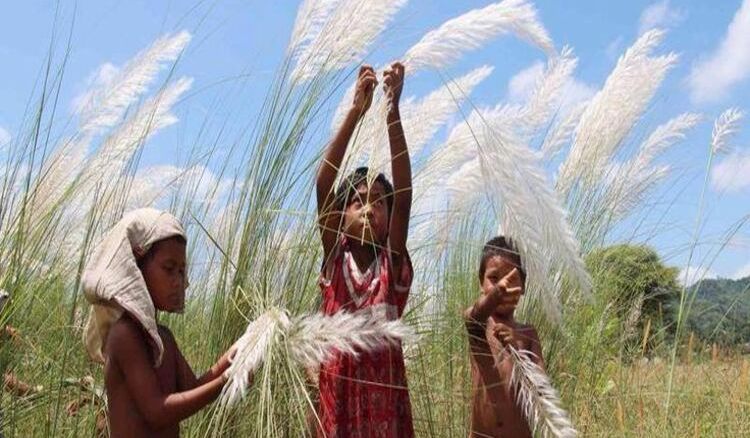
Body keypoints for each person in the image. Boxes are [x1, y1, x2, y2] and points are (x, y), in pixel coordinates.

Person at [312, 62, 414, 437]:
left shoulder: (392, 263)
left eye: (378, 202)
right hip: (337, 402)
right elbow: (323, 184)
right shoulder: (335, 257)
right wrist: (356, 110)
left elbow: (404, 195)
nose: (369, 208)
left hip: (384, 409)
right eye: (357, 201)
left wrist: (392, 111)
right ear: (341, 216)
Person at [82, 208, 243, 437]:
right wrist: (227, 380)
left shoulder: (164, 338)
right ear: (136, 270)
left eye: (181, 271)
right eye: (169, 269)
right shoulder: (125, 335)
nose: (178, 282)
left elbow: (192, 389)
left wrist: (241, 352)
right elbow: (157, 412)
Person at [464, 236, 545, 438]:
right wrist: (495, 295)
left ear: (523, 287)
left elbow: (541, 389)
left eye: (511, 278)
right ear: (481, 282)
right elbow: (474, 315)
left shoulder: (528, 335)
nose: (503, 285)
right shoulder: (478, 326)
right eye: (494, 278)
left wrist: (518, 349)